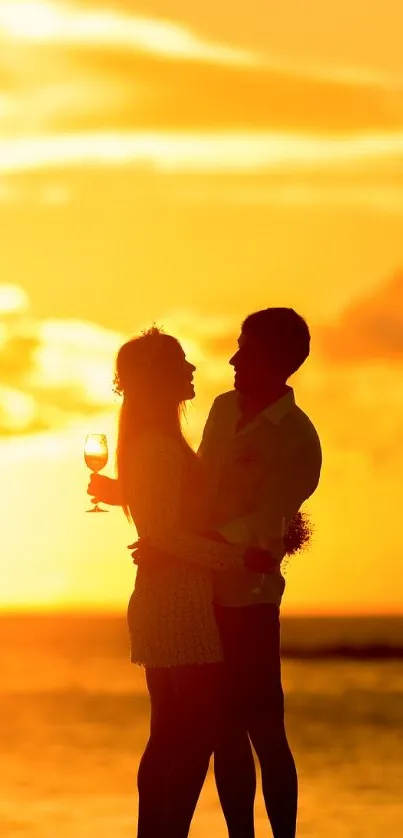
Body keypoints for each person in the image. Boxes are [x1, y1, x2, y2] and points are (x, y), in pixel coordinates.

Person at [90, 308, 322, 838]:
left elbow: (268, 516)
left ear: (283, 361)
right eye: (236, 345)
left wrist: (187, 545)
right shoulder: (219, 410)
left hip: (246, 594)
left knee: (260, 730)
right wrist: (151, 519)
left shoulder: (298, 439)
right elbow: (184, 500)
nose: (231, 358)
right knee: (207, 734)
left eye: (247, 349)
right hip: (193, 594)